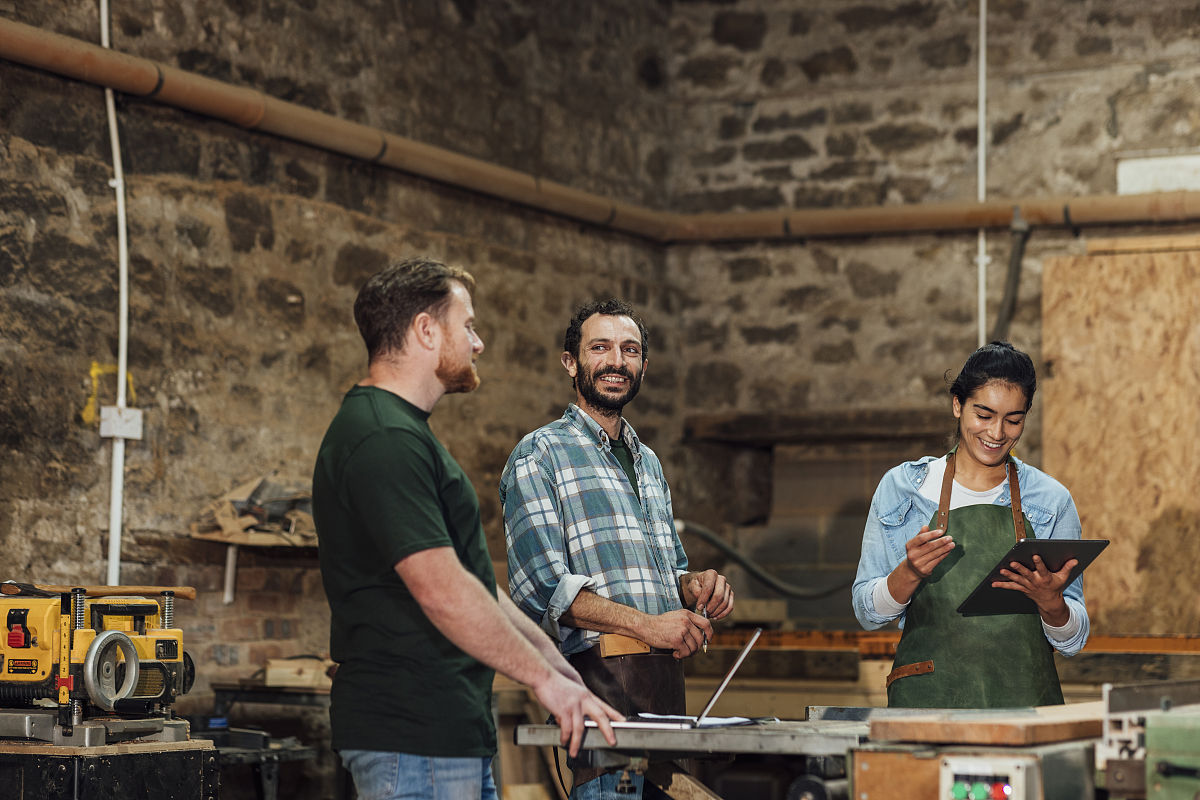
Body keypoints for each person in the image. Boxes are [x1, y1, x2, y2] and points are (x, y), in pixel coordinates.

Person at [313, 258, 622, 800]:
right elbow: (442, 591)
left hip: (447, 730)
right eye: (468, 326)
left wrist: (554, 666)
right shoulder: (383, 438)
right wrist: (542, 681)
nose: (477, 343)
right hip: (414, 734)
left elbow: (474, 584)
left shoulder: (405, 434)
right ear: (426, 330)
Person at [501, 299, 734, 799]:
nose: (616, 361)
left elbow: (669, 572)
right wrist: (649, 626)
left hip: (665, 696)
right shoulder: (539, 456)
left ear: (643, 366)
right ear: (571, 362)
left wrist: (694, 587)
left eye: (629, 350)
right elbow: (543, 592)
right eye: (600, 348)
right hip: (599, 696)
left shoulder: (648, 461)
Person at [852, 341, 1090, 709]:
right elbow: (868, 615)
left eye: (1013, 420)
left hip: (1023, 704)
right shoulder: (904, 491)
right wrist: (909, 572)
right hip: (927, 705)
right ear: (957, 405)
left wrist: (1052, 603)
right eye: (984, 414)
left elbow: (1073, 642)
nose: (997, 432)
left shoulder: (1050, 502)